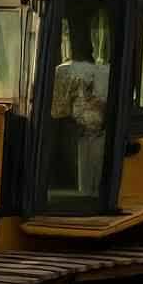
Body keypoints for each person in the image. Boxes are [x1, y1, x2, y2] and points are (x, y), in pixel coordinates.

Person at [50, 10, 109, 197]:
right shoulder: (99, 72)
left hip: (92, 135)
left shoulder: (68, 72)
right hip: (87, 134)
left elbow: (57, 110)